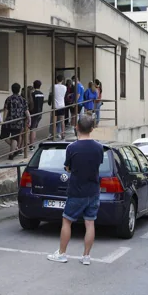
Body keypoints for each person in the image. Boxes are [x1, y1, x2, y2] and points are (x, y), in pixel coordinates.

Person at [48, 115, 103, 265]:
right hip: (93, 191)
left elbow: (68, 167)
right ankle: (86, 257)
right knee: (90, 223)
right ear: (92, 129)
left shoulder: (72, 148)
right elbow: (97, 165)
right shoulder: (99, 147)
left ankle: (62, 253)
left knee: (67, 221)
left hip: (76, 190)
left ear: (77, 127)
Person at [4, 83, 30, 160]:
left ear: (12, 89)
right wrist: (29, 119)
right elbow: (26, 111)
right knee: (15, 138)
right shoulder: (23, 100)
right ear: (19, 90)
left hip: (9, 121)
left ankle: (12, 152)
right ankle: (14, 150)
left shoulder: (9, 99)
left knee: (4, 136)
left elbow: (6, 110)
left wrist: (3, 120)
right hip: (19, 122)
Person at [29, 80, 45, 151]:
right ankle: (32, 143)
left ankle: (31, 145)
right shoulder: (42, 94)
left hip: (33, 113)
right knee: (34, 128)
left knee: (32, 129)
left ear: (33, 85)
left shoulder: (33, 94)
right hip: (39, 113)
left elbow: (31, 103)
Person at [51, 75, 67, 139]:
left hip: (55, 106)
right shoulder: (64, 87)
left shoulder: (54, 87)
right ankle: (63, 134)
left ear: (56, 80)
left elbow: (51, 94)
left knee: (54, 122)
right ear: (62, 80)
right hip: (62, 105)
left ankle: (54, 135)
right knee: (62, 121)